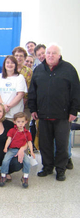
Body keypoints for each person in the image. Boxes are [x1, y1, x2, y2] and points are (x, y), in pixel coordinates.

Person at [28, 43, 80, 181]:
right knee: (45, 144)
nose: (50, 55)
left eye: (53, 53)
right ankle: (47, 167)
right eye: (48, 53)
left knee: (62, 145)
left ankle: (60, 169)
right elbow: (32, 92)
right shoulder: (38, 70)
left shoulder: (69, 69)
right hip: (43, 115)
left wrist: (74, 110)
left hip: (63, 115)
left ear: (59, 55)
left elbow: (76, 92)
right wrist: (33, 109)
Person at [0, 112, 35, 188]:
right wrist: (6, 147)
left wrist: (31, 151)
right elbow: (9, 139)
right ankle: (3, 175)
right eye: (18, 122)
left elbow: (29, 142)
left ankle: (25, 177)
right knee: (5, 160)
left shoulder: (27, 133)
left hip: (21, 151)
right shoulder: (12, 131)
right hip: (11, 150)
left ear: (26, 122)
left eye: (22, 122)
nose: (20, 124)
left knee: (27, 162)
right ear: (14, 122)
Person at [0, 55, 27, 120]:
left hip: (15, 114)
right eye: (7, 62)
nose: (10, 65)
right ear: (4, 64)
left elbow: (20, 94)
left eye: (12, 63)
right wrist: (3, 106)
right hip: (0, 114)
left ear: (15, 65)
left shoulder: (20, 77)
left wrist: (9, 106)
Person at [12, 47, 33, 128]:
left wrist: (22, 103)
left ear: (24, 58)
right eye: (16, 55)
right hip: (10, 105)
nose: (18, 58)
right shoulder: (9, 69)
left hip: (25, 106)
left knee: (23, 130)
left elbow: (30, 89)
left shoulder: (29, 71)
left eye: (21, 56)